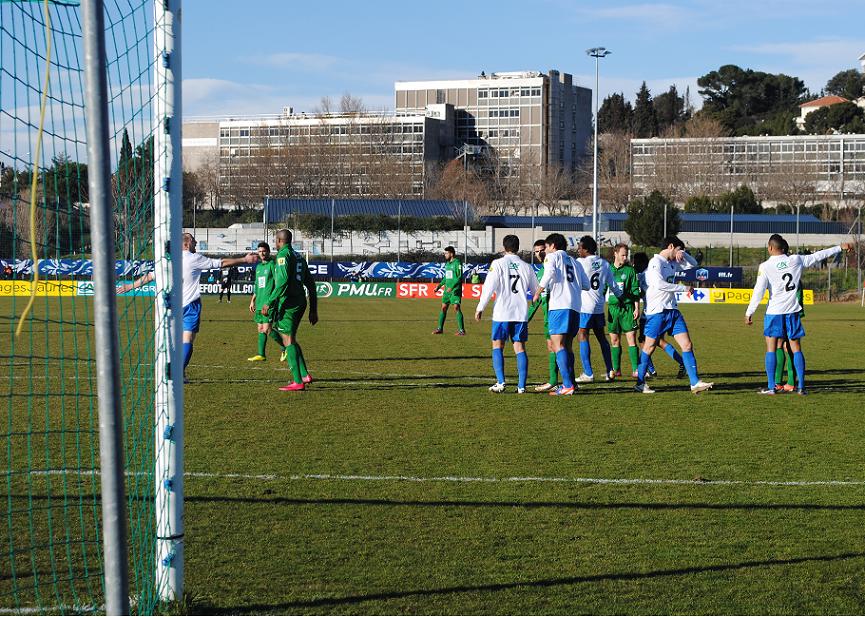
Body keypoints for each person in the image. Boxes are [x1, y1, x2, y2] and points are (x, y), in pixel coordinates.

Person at [117, 233, 258, 382]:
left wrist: (130, 286)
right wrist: (245, 259)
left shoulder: (166, 261)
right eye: (193, 240)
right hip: (190, 305)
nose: (196, 242)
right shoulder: (194, 258)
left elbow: (150, 277)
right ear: (186, 244)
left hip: (171, 306)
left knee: (172, 341)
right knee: (188, 340)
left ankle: (176, 372)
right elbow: (221, 263)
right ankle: (178, 372)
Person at [744, 234, 850, 395]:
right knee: (796, 348)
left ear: (771, 248)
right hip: (793, 311)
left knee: (771, 349)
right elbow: (817, 256)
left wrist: (750, 311)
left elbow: (758, 291)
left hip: (774, 312)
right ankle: (801, 387)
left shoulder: (765, 266)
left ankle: (772, 387)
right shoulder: (796, 260)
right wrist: (839, 248)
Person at [635, 236, 713, 394]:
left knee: (687, 345)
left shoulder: (672, 263)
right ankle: (640, 383)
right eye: (677, 249)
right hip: (656, 312)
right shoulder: (655, 263)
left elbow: (693, 264)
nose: (678, 254)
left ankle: (694, 383)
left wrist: (683, 253)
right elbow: (659, 285)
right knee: (649, 347)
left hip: (672, 311)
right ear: (670, 246)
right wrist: (684, 289)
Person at [475, 235, 539, 394]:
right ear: (518, 247)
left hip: (502, 313)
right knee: (520, 347)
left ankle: (501, 383)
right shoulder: (526, 266)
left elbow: (489, 287)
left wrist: (480, 307)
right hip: (520, 313)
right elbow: (536, 290)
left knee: (497, 345)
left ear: (504, 247)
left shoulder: (497, 264)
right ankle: (522, 387)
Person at [533, 233, 591, 396]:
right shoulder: (575, 261)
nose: (545, 251)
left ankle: (567, 386)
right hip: (575, 308)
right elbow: (586, 285)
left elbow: (548, 273)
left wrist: (538, 291)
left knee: (556, 345)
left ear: (552, 246)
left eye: (547, 247)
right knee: (568, 346)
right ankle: (572, 383)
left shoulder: (552, 258)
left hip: (559, 306)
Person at [262, 229, 318, 392]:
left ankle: (297, 381)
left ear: (279, 241)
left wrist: (269, 302)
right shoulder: (299, 257)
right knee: (290, 338)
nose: (274, 243)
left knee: (288, 341)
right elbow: (311, 284)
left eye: (275, 240)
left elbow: (283, 282)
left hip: (289, 302)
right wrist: (313, 309)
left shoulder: (282, 256)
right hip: (300, 301)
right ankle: (304, 375)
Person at [574, 235, 622, 383]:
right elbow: (613, 286)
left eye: (580, 247)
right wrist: (623, 299)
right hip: (599, 306)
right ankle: (610, 371)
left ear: (586, 249)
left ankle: (588, 373)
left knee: (582, 335)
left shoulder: (580, 263)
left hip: (585, 306)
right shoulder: (604, 263)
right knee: (601, 337)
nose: (578, 250)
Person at [632, 252, 686, 380]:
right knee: (658, 342)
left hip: (651, 313)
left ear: (640, 263)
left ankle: (650, 370)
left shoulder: (643, 275)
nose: (633, 265)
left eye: (635, 262)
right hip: (655, 311)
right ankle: (680, 363)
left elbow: (641, 293)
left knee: (645, 342)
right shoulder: (650, 272)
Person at [527, 239, 559, 392]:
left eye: (541, 250)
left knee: (557, 347)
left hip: (556, 314)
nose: (539, 253)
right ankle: (560, 380)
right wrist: (526, 319)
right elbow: (538, 299)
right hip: (548, 315)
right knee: (553, 347)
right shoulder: (540, 272)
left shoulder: (551, 267)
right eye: (536, 251)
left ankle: (558, 381)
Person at [607, 243, 642, 379]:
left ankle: (636, 370)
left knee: (631, 339)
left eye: (626, 255)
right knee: (614, 340)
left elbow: (635, 290)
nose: (625, 257)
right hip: (612, 310)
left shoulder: (630, 271)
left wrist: (637, 308)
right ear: (615, 254)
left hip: (628, 309)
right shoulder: (608, 270)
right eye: (622, 254)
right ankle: (616, 370)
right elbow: (602, 288)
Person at [247, 242, 286, 362]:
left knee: (267, 329)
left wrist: (272, 301)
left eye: (264, 251)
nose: (262, 253)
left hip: (269, 303)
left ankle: (285, 348)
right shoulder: (259, 267)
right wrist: (252, 301)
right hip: (259, 302)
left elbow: (279, 283)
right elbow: (257, 285)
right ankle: (261, 354)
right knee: (260, 329)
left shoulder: (273, 265)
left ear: (268, 251)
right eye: (259, 251)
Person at [433, 246, 465, 335]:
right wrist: (439, 286)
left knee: (456, 307)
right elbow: (446, 277)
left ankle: (462, 330)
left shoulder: (457, 263)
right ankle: (440, 329)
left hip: (455, 290)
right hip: (447, 291)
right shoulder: (447, 264)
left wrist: (452, 286)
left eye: (446, 253)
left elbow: (459, 277)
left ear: (451, 253)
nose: (445, 255)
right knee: (443, 308)